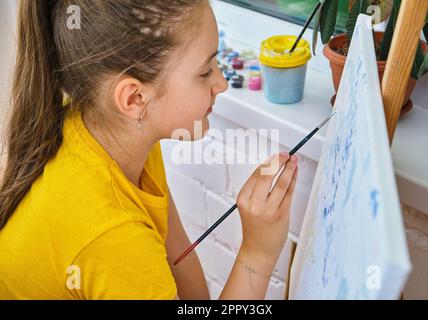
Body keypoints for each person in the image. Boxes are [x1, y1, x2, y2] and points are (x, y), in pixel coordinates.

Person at [0, 0, 299, 299]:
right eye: (205, 71)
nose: (220, 83)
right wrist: (257, 255)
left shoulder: (111, 132)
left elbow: (179, 257)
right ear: (134, 99)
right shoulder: (115, 238)